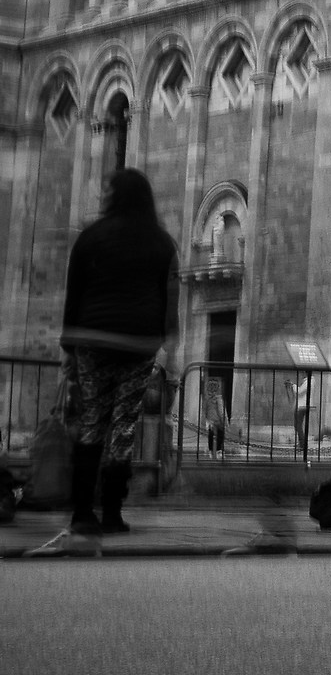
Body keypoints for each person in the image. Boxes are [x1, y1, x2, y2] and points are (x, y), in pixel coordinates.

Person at [56, 168, 178, 541]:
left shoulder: (91, 237)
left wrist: (69, 345)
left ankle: (81, 513)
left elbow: (74, 292)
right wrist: (167, 338)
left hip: (93, 339)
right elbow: (169, 295)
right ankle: (111, 513)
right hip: (138, 343)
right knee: (123, 427)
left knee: (93, 421)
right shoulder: (161, 242)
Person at [289, 372, 314, 465]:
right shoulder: (308, 381)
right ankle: (302, 443)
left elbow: (299, 392)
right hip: (303, 405)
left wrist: (293, 385)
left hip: (302, 406)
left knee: (298, 424)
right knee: (298, 424)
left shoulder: (309, 381)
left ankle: (302, 444)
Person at [202, 377, 228, 459]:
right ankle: (219, 451)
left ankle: (211, 452)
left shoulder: (206, 399)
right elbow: (221, 412)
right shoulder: (219, 399)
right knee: (220, 435)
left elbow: (204, 410)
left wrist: (205, 421)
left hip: (210, 421)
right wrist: (225, 421)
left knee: (211, 436)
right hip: (218, 420)